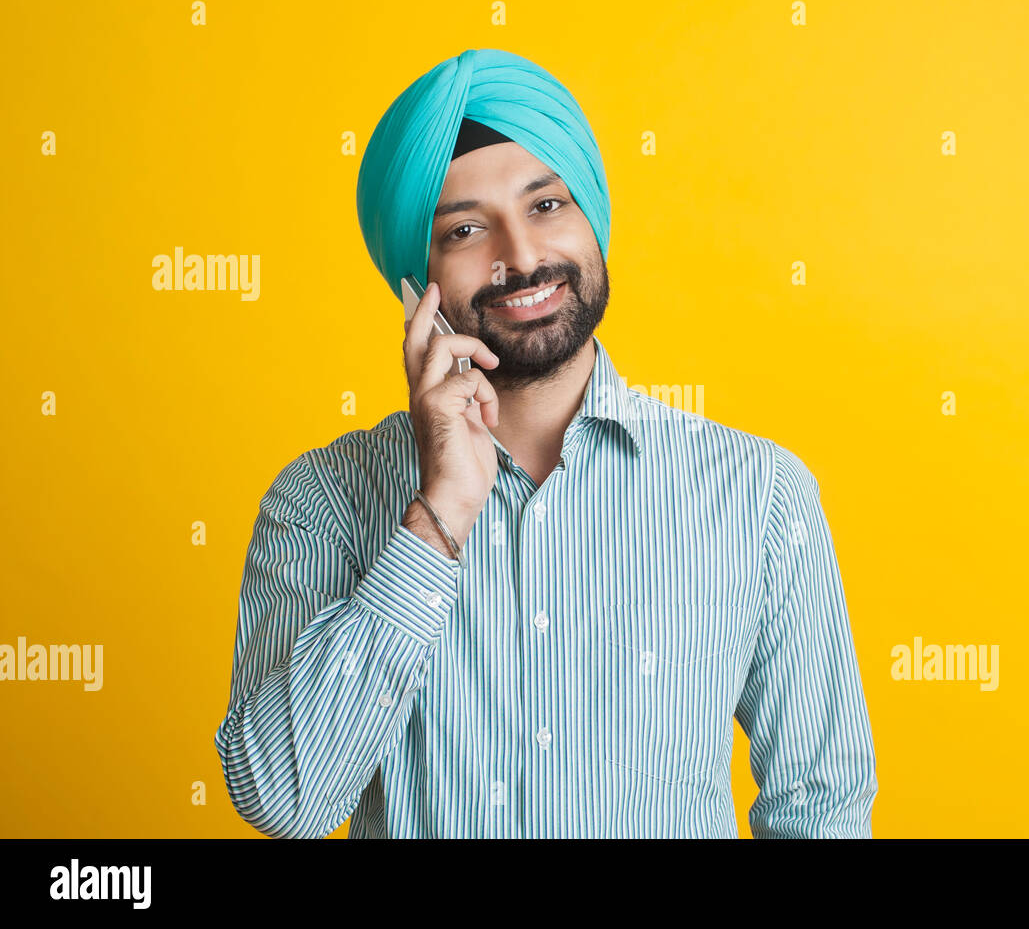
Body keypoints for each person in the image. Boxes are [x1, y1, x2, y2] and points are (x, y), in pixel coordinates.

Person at [214, 48, 878, 838]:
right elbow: (284, 803)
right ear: (412, 281)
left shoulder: (756, 493)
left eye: (547, 206)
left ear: (591, 215)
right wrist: (437, 518)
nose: (523, 257)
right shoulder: (322, 499)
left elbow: (822, 811)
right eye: (465, 228)